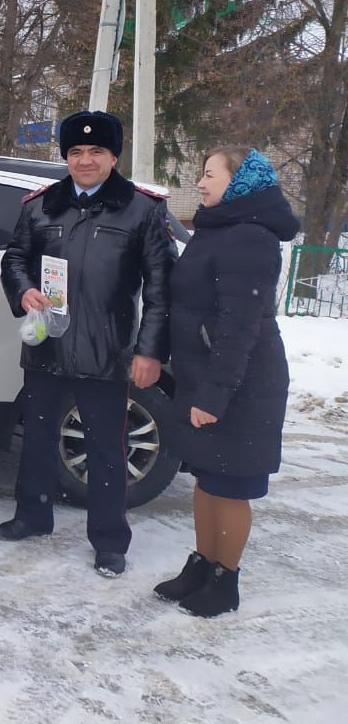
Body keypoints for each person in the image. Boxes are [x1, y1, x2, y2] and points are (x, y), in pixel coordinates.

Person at [0, 110, 176, 577]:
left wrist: (150, 351)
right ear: (66, 157)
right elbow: (16, 258)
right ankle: (32, 516)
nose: (85, 160)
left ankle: (110, 540)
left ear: (113, 156)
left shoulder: (142, 209)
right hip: (47, 345)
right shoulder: (41, 205)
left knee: (105, 450)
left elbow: (161, 289)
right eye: (76, 151)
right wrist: (22, 290)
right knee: (36, 438)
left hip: (107, 350)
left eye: (96, 151)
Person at [153, 147, 299, 616]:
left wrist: (215, 396)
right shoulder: (220, 229)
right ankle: (202, 564)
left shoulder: (249, 238)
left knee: (231, 484)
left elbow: (240, 327)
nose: (200, 182)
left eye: (210, 174)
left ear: (239, 183)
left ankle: (225, 580)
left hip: (241, 385)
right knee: (207, 477)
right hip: (208, 377)